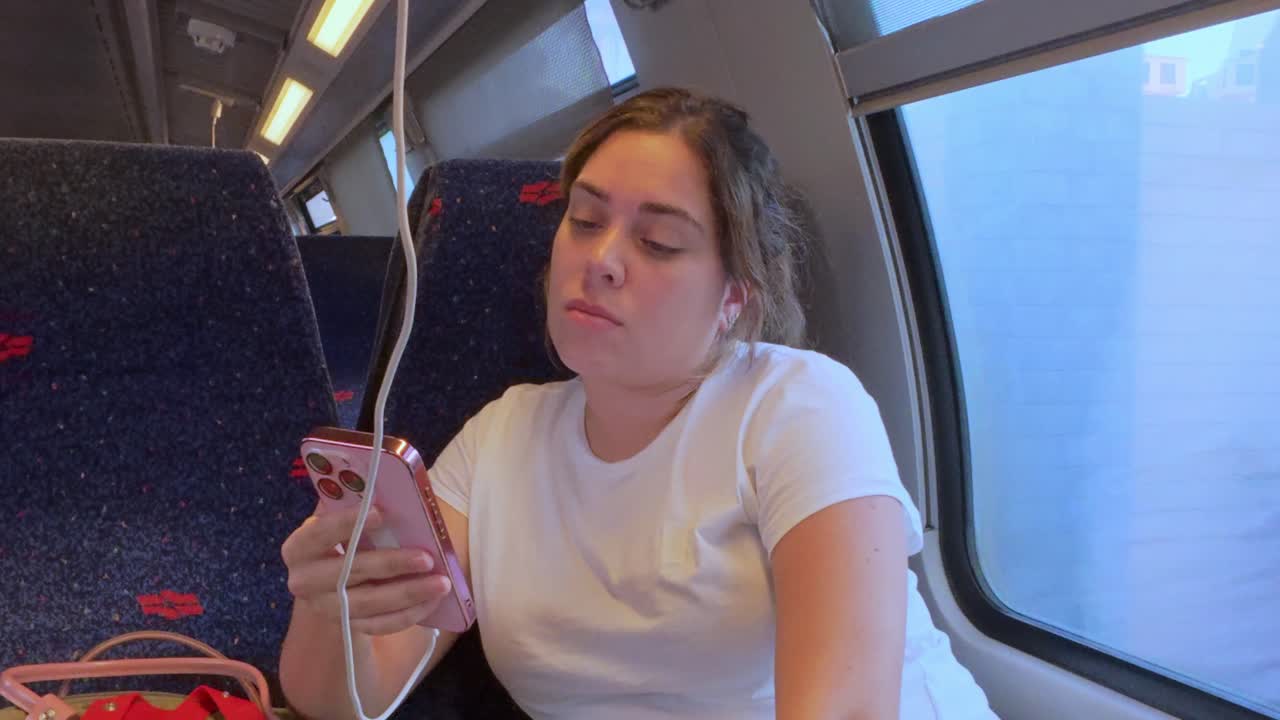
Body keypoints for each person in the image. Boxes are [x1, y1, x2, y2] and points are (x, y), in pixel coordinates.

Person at [278, 87, 997, 720]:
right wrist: (328, 601)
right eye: (585, 222)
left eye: (658, 242)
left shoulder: (796, 407)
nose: (602, 260)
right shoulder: (499, 439)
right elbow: (347, 701)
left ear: (733, 299)